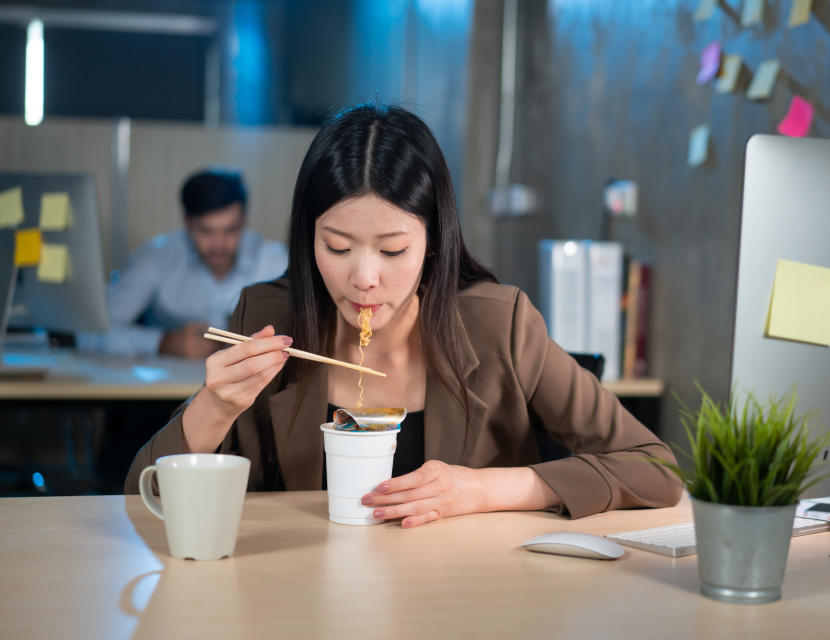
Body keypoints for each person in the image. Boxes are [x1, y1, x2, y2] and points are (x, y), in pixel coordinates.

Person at [125, 105, 681, 527]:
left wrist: (488, 490)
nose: (364, 278)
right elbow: (139, 497)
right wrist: (214, 405)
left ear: (434, 242)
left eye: (392, 251)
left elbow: (657, 468)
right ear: (306, 239)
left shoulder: (500, 325)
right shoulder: (268, 314)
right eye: (337, 248)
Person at [77, 169, 288, 359]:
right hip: (164, 394)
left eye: (230, 230)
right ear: (186, 222)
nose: (218, 245)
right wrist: (163, 342)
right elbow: (92, 332)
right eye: (205, 231)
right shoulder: (156, 257)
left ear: (244, 220)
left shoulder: (274, 260)